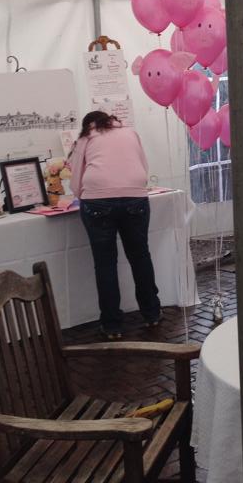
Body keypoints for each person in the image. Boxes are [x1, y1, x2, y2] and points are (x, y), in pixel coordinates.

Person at [69, 110, 161, 340]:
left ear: (88, 124)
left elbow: (76, 177)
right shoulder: (130, 132)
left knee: (105, 263)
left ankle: (112, 325)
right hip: (135, 197)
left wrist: (83, 195)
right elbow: (143, 166)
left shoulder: (86, 137)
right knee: (140, 256)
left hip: (97, 202)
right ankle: (152, 314)